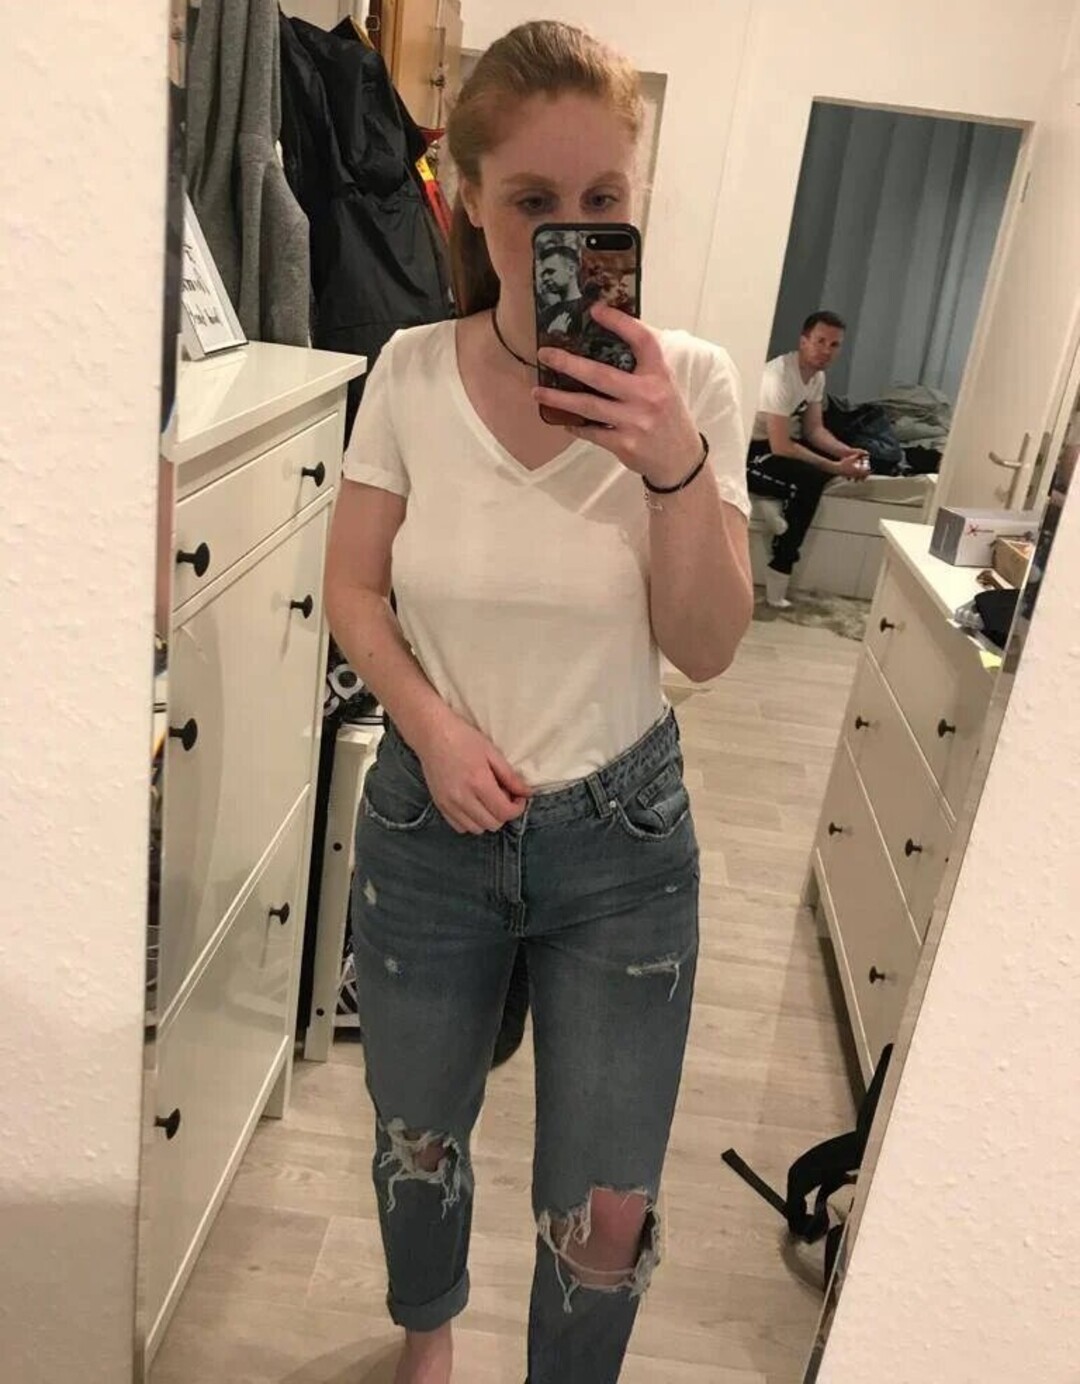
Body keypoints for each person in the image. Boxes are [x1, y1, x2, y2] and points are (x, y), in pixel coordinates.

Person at [323, 21, 753, 1384]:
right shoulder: (408, 372)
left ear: (636, 194)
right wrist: (430, 727)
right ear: (465, 197)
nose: (571, 230)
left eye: (602, 198)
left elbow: (709, 646)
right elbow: (352, 593)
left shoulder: (695, 386)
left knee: (607, 1201)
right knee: (416, 1133)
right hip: (427, 824)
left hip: (622, 846)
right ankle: (428, 1333)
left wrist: (672, 462)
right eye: (532, 201)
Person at [747, 311, 870, 608]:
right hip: (749, 453)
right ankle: (781, 565)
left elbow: (815, 430)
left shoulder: (816, 377)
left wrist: (847, 453)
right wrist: (835, 466)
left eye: (834, 345)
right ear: (803, 341)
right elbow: (781, 446)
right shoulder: (778, 377)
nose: (826, 350)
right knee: (811, 479)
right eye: (820, 341)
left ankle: (770, 501)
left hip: (773, 448)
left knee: (823, 467)